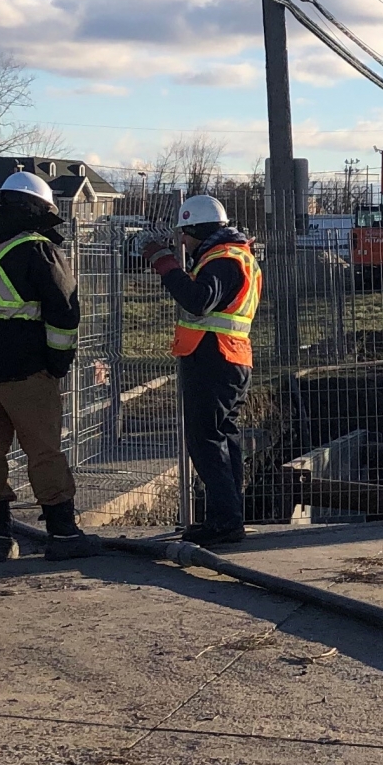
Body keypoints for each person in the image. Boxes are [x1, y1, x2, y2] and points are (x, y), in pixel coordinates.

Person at [0, 169, 96, 563]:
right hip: (28, 369)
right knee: (44, 452)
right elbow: (64, 312)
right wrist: (58, 362)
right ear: (39, 208)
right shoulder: (39, 248)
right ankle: (62, 534)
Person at [148, 193, 261, 547]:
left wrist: (163, 262)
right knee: (222, 438)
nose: (182, 240)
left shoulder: (222, 259)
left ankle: (225, 522)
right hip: (229, 357)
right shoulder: (236, 255)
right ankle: (227, 518)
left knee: (206, 440)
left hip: (212, 359)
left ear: (197, 228)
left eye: (185, 233)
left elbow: (198, 300)